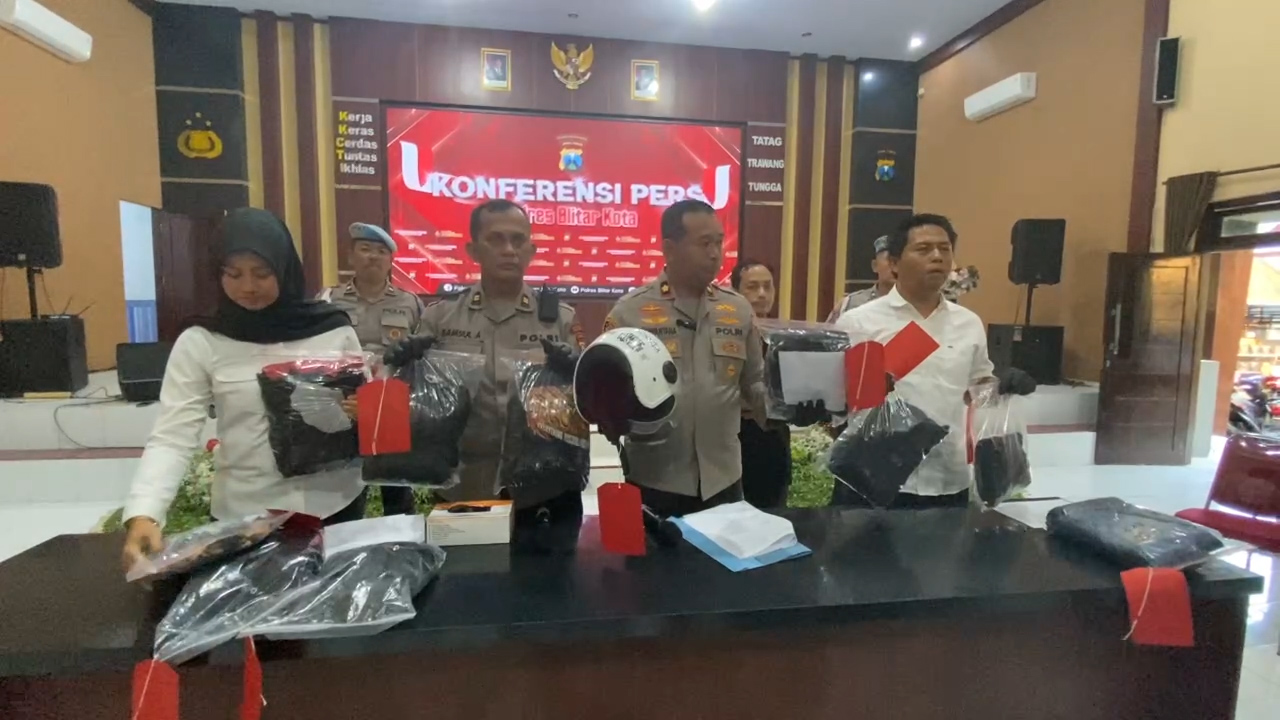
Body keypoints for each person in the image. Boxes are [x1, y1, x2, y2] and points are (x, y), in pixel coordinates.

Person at [121, 208, 364, 571]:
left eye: (262, 273)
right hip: (246, 516)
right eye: (233, 274)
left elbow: (365, 409)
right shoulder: (202, 341)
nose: (248, 286)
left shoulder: (332, 329)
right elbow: (173, 434)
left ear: (285, 268)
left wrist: (366, 412)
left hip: (335, 505)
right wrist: (145, 512)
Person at [385, 199, 582, 506]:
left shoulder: (560, 319)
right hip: (464, 484)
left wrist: (580, 372)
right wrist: (400, 370)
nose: (509, 250)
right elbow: (417, 402)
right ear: (473, 250)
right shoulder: (441, 318)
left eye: (518, 240)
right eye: (496, 239)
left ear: (531, 250)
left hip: (543, 483)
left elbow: (582, 406)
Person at [832, 214, 1034, 508]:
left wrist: (1003, 385)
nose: (937, 257)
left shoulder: (968, 323)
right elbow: (837, 401)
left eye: (944, 249)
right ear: (895, 263)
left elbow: (977, 394)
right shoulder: (859, 322)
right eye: (924, 249)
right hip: (874, 477)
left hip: (947, 477)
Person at [603, 200, 768, 517]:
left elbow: (754, 385)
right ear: (669, 248)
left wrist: (787, 405)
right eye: (704, 243)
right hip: (656, 482)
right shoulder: (630, 312)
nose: (715, 253)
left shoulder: (738, 309)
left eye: (719, 242)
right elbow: (606, 397)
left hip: (724, 481)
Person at [318, 222, 424, 516]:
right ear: (350, 256)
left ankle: (400, 539)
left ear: (390, 261)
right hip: (344, 407)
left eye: (381, 252)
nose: (373, 257)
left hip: (390, 407)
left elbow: (421, 357)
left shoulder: (410, 303)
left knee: (396, 491)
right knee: (345, 492)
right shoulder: (328, 300)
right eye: (365, 249)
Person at [730, 259, 825, 508]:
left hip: (774, 438)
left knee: (774, 511)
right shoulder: (726, 335)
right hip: (735, 436)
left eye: (768, 286)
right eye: (752, 287)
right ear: (735, 291)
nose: (762, 294)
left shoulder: (784, 339)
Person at [827, 235, 895, 322]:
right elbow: (830, 330)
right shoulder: (851, 303)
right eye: (890, 260)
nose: (895, 267)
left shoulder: (912, 305)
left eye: (899, 261)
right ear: (874, 266)